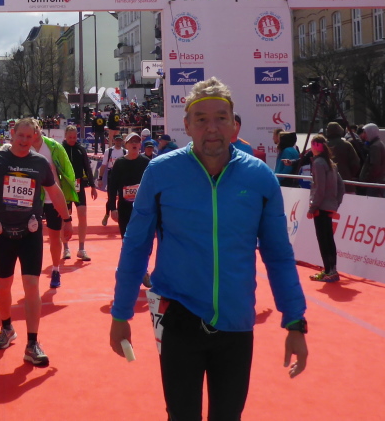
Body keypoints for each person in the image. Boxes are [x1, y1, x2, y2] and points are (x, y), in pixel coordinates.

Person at [110, 78, 308, 421]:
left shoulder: (259, 177)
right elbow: (136, 246)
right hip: (178, 317)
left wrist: (295, 321)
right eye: (201, 119)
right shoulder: (161, 171)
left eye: (220, 118)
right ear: (187, 125)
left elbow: (278, 255)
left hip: (236, 322)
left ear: (234, 124)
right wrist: (121, 312)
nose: (211, 128)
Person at [0, 118, 73, 366]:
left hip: (30, 232)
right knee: (3, 285)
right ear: (13, 133)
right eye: (20, 135)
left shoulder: (39, 163)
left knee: (32, 286)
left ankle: (32, 343)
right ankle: (7, 328)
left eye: (29, 137)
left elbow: (55, 192)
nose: (23, 141)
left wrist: (67, 219)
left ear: (35, 138)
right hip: (2, 233)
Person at [29, 122, 78, 289]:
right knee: (31, 238)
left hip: (52, 198)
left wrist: (67, 198)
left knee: (54, 236)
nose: (33, 134)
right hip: (32, 199)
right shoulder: (24, 147)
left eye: (35, 130)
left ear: (40, 130)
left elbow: (68, 171)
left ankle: (56, 269)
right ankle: (32, 273)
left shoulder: (54, 147)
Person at [307, 135, 345, 283]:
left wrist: (312, 208)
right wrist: (335, 204)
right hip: (328, 206)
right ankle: (330, 269)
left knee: (324, 239)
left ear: (316, 146)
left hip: (321, 207)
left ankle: (330, 271)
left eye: (312, 145)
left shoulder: (318, 163)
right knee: (328, 238)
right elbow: (341, 186)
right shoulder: (331, 163)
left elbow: (319, 188)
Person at [61, 125, 98, 261]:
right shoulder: (60, 149)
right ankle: (65, 248)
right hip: (64, 187)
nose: (72, 139)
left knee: (82, 215)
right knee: (65, 217)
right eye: (70, 137)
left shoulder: (80, 149)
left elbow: (87, 168)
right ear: (65, 136)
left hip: (78, 186)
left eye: (74, 137)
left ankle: (81, 249)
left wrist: (93, 186)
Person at [106, 133, 149, 239]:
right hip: (124, 207)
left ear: (140, 145)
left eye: (137, 141)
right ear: (126, 145)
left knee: (142, 239)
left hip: (142, 208)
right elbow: (112, 187)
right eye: (131, 141)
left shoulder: (146, 162)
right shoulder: (119, 163)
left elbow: (152, 186)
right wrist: (113, 208)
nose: (134, 144)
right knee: (126, 239)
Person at [325, 122, 360, 194]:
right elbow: (356, 163)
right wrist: (349, 175)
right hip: (347, 183)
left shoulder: (324, 146)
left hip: (328, 184)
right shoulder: (347, 145)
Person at [98, 133, 125, 226]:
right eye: (117, 140)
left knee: (122, 197)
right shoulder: (109, 151)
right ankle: (107, 214)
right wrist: (100, 178)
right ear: (114, 141)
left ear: (122, 141)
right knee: (111, 197)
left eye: (120, 140)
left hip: (122, 175)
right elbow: (103, 165)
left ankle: (121, 216)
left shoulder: (125, 152)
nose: (118, 142)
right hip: (112, 175)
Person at [358, 123, 385, 197]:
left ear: (371, 132)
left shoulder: (375, 147)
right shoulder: (378, 144)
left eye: (365, 132)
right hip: (377, 181)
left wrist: (366, 179)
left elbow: (375, 166)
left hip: (374, 183)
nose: (363, 135)